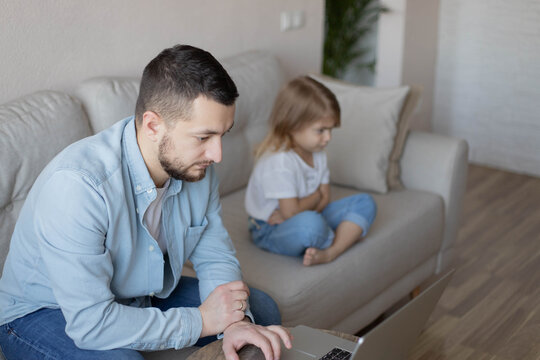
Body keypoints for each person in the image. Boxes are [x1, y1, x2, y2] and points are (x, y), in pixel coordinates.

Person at [0, 45, 291, 360]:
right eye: (203, 138)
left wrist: (234, 323)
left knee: (258, 309)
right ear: (153, 126)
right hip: (43, 312)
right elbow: (91, 325)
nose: (217, 154)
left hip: (134, 295)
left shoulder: (197, 169)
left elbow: (216, 257)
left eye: (223, 135)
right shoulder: (79, 187)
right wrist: (203, 321)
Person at [244, 76, 377, 266]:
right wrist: (314, 198)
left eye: (331, 130)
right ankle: (345, 234)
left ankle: (331, 251)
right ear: (292, 125)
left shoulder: (318, 154)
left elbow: (325, 200)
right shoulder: (279, 162)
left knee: (365, 202)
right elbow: (298, 210)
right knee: (310, 224)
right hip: (270, 230)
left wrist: (302, 207)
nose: (328, 138)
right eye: (321, 130)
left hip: (307, 214)